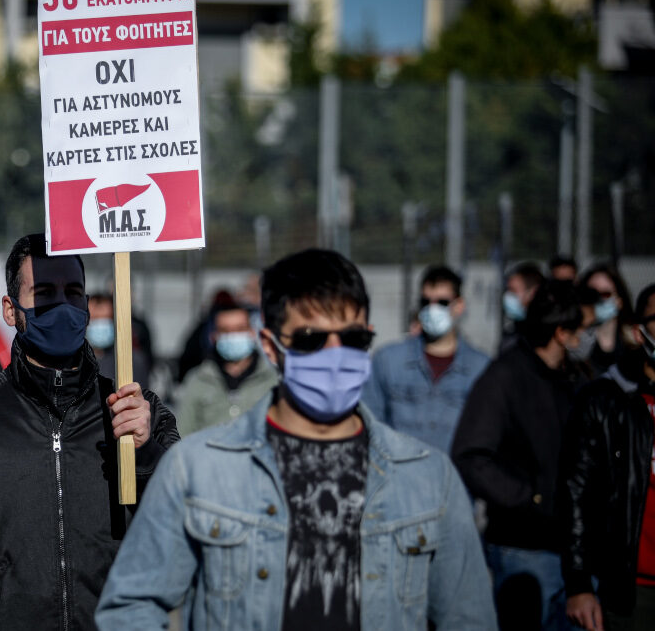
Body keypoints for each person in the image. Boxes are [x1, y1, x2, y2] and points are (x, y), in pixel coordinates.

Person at [95, 249, 493, 629]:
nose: (335, 354)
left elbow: (468, 617)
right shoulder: (196, 469)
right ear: (271, 346)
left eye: (352, 338)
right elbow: (132, 603)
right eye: (310, 338)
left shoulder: (428, 478)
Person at [0, 233, 179, 630]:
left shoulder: (137, 411)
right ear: (11, 310)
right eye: (45, 292)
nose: (63, 305)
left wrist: (146, 454)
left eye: (74, 291)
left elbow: (184, 522)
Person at [451, 280, 596, 630]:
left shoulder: (577, 378)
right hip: (524, 550)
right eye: (583, 331)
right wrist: (531, 496)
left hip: (576, 555)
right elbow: (471, 455)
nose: (587, 339)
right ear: (562, 333)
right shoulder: (505, 376)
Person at [558, 282, 655, 631]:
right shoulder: (604, 400)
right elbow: (576, 494)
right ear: (639, 331)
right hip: (632, 591)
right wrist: (579, 584)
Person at [363, 265, 490, 452]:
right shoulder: (388, 360)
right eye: (425, 302)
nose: (432, 309)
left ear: (459, 306)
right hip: (401, 476)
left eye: (442, 303)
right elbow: (371, 423)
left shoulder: (481, 367)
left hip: (456, 477)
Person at [174, 299, 276, 435]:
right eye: (225, 330)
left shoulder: (273, 379)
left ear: (252, 332)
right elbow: (182, 433)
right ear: (214, 336)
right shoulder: (197, 379)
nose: (233, 336)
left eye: (240, 329)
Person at [577, 263, 634, 377]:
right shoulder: (576, 345)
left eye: (605, 294)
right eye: (592, 294)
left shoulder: (635, 341)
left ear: (619, 300)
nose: (598, 299)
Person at [86, 292, 152, 388]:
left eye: (105, 319)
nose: (100, 325)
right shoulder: (74, 361)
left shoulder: (131, 361)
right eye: (95, 319)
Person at [501, 261, 545, 352]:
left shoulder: (541, 334)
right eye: (507, 290)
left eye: (513, 290)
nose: (508, 296)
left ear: (533, 292)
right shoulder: (515, 328)